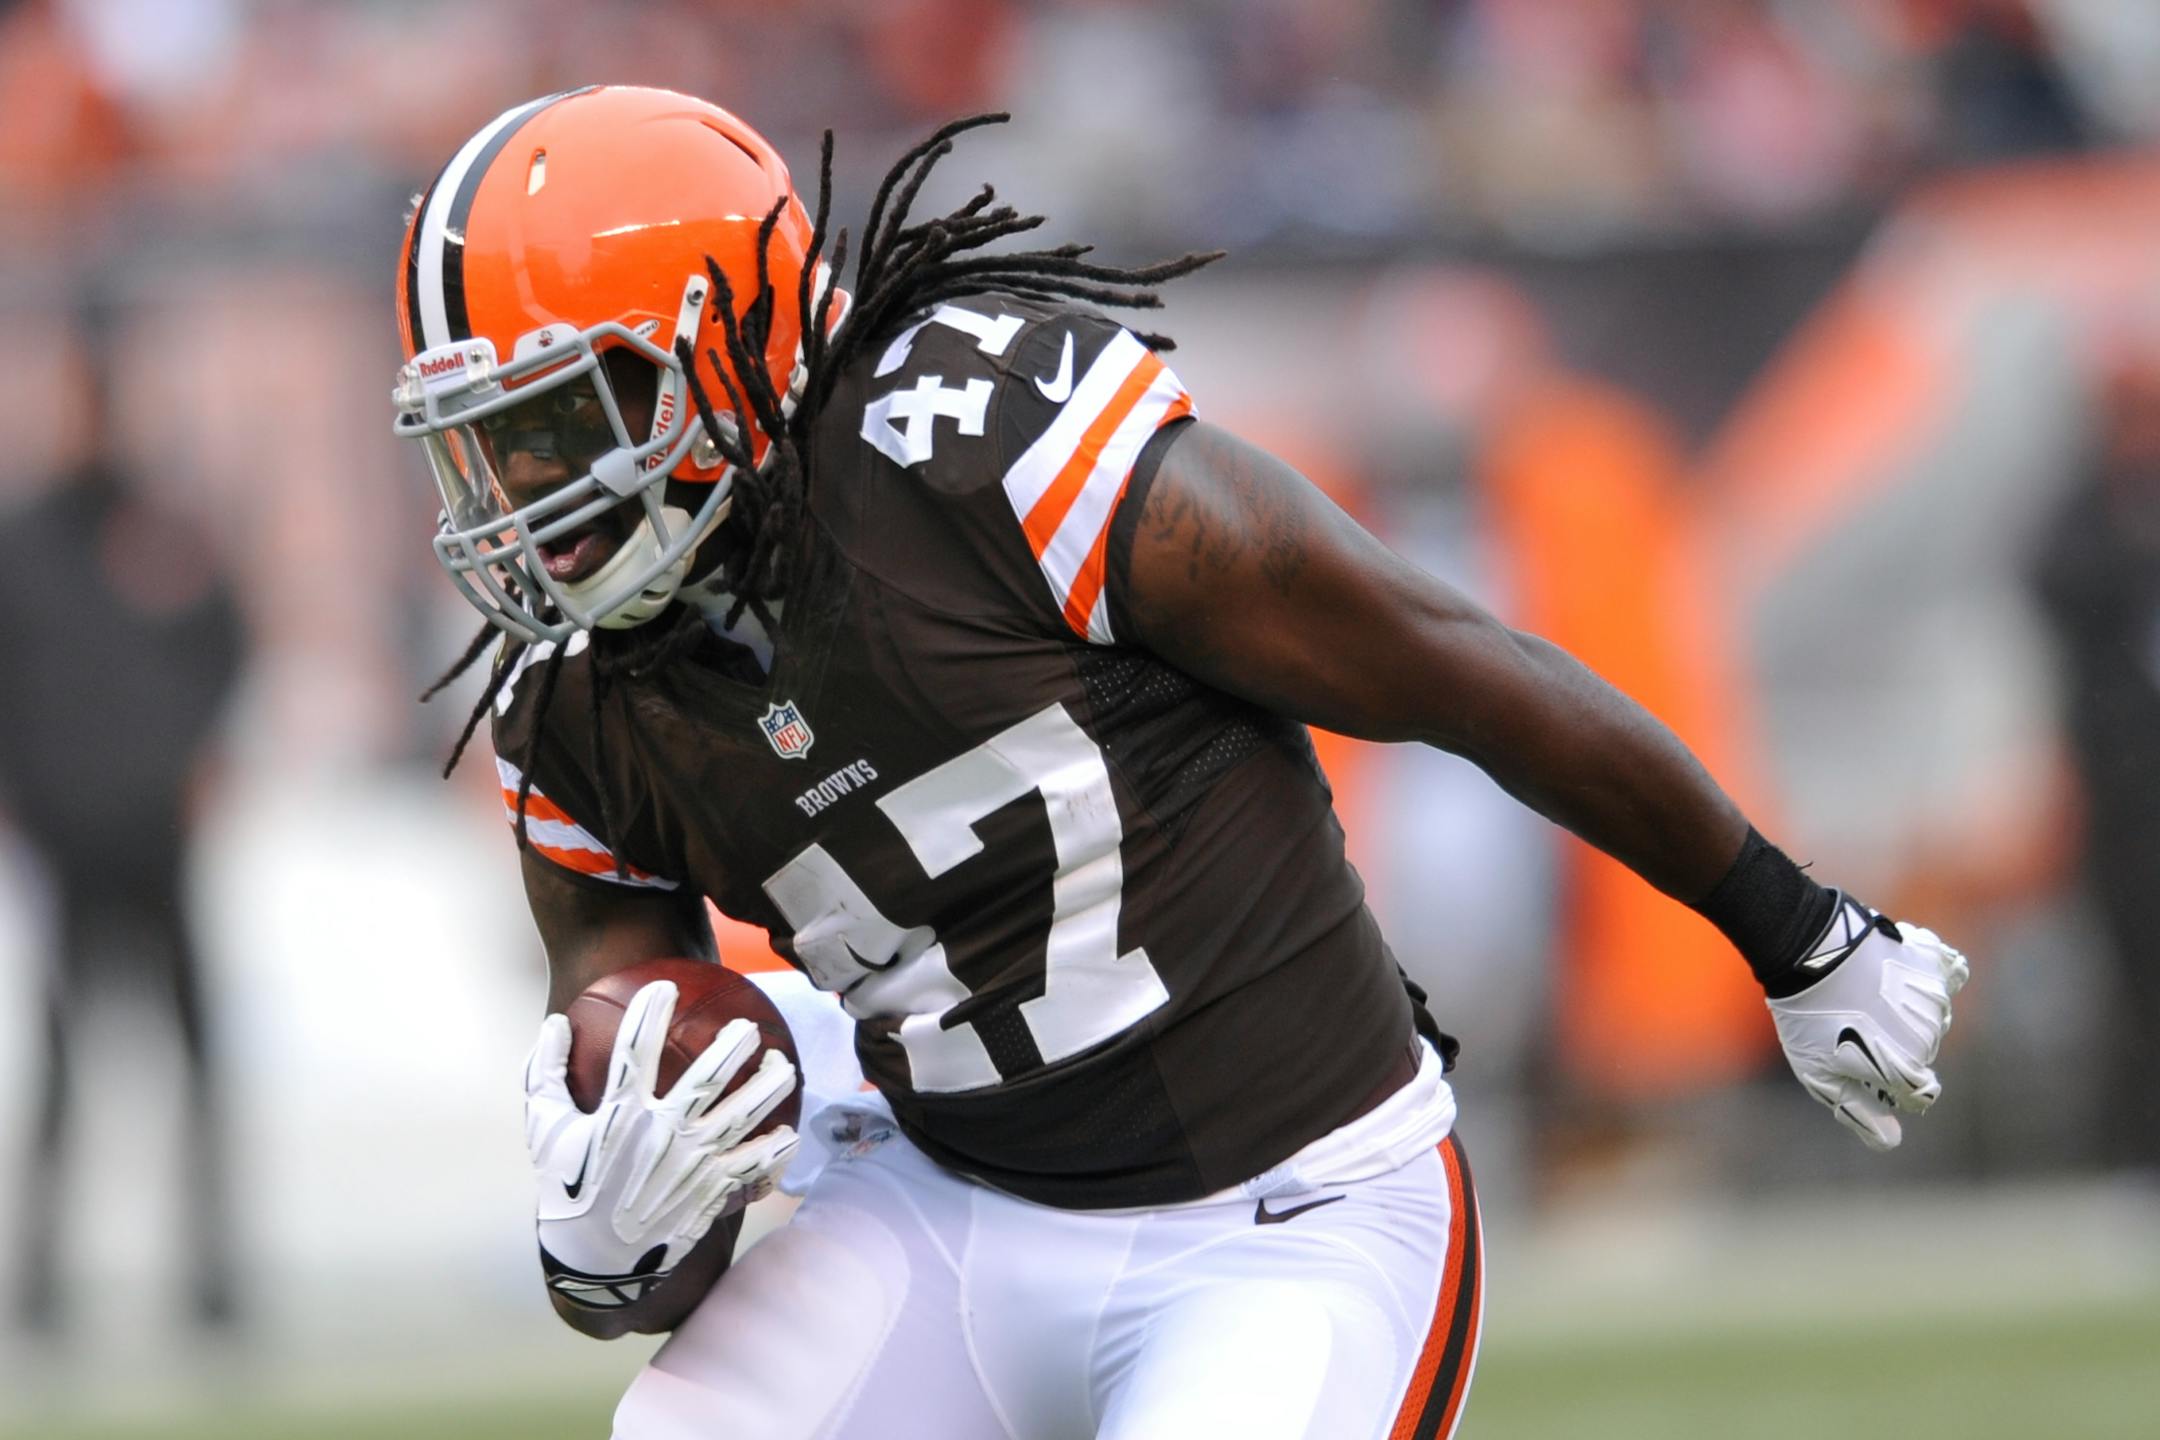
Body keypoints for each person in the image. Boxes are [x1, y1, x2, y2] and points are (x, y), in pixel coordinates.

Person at [390, 86, 1967, 1440]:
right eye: (484, 447)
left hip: (1286, 1216)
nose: (520, 504)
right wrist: (605, 1250)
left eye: (557, 427)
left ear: (727, 348)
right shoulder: (571, 702)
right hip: (946, 1200)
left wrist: (1791, 926)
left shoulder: (974, 458)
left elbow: (1444, 661)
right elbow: (648, 1146)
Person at [0, 298, 247, 1331]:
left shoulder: (165, 526)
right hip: (70, 841)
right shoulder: (22, 541)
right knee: (63, 1064)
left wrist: (204, 759)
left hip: (160, 839)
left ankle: (213, 1275)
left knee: (196, 1058)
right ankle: (43, 1280)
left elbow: (229, 645)